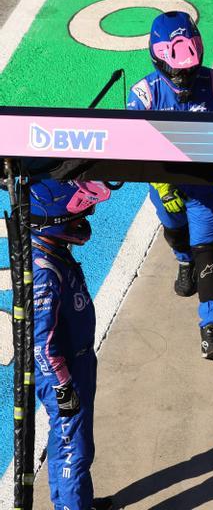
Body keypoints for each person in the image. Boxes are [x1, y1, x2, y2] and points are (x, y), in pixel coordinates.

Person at [127, 11, 213, 357]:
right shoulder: (143, 95)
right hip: (166, 184)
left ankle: (210, 327)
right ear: (158, 59)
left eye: (189, 67)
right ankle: (183, 260)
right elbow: (134, 148)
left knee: (209, 252)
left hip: (209, 186)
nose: (184, 74)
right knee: (175, 231)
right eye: (177, 68)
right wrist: (162, 184)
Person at [29, 177, 115, 510]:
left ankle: (80, 502)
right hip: (63, 372)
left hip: (78, 363)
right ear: (51, 219)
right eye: (75, 216)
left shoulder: (52, 250)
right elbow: (41, 342)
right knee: (72, 449)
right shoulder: (44, 271)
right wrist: (64, 389)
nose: (84, 220)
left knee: (77, 444)